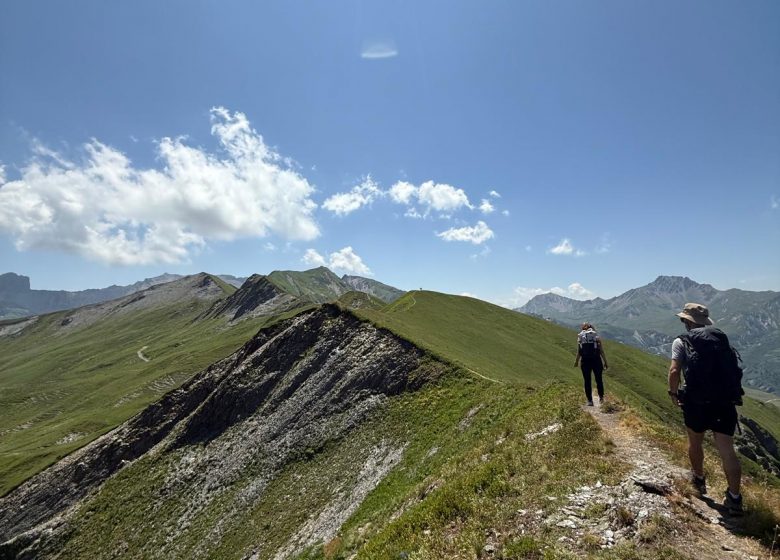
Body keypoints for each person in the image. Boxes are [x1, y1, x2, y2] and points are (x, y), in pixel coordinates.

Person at [668, 303, 743, 516]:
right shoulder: (720, 339)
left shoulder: (681, 341)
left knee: (695, 442)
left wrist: (673, 393)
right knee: (727, 451)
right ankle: (735, 499)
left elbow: (674, 371)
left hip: (696, 402)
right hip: (724, 402)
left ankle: (699, 480)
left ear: (687, 321)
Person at [574, 322, 608, 406]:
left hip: (585, 361)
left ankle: (589, 400)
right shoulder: (595, 337)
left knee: (587, 380)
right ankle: (601, 398)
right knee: (599, 380)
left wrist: (576, 362)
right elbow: (601, 351)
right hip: (596, 360)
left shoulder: (581, 337)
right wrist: (605, 362)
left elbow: (579, 352)